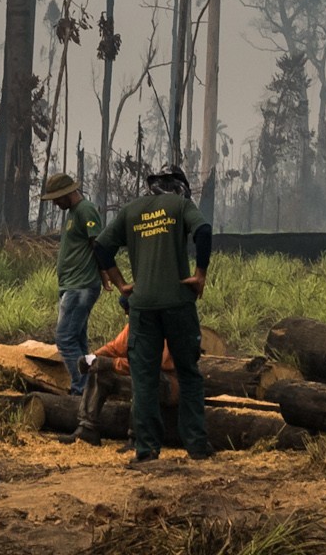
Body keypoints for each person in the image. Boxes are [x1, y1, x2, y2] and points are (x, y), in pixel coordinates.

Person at [92, 162, 212, 464]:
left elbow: (102, 246)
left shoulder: (131, 210)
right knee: (188, 373)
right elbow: (204, 231)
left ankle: (146, 450)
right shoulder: (180, 205)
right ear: (179, 185)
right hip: (178, 303)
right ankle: (196, 446)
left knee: (143, 378)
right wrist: (200, 274)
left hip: (142, 306)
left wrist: (121, 284)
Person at [43, 172, 105, 426]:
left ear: (69, 193)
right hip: (72, 285)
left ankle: (81, 389)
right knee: (78, 339)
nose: (56, 204)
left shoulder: (86, 210)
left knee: (65, 338)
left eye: (58, 199)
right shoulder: (73, 213)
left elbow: (98, 245)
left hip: (81, 286)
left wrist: (106, 275)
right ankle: (92, 387)